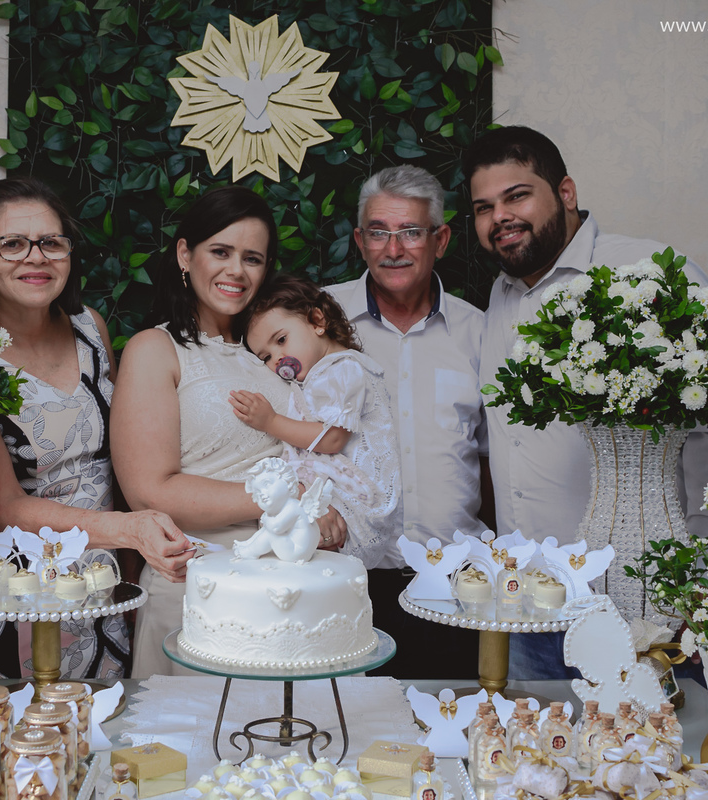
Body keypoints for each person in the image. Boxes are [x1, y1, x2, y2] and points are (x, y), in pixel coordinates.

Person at [463, 125, 708, 678]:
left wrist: (699, 563)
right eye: (484, 207)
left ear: (567, 193)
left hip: (645, 604)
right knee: (542, 757)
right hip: (534, 608)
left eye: (518, 195)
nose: (500, 217)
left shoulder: (647, 273)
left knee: (652, 757)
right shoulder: (501, 296)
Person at [0, 177, 190, 680]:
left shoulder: (89, 327)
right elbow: (5, 507)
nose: (36, 257)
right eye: (12, 243)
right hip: (4, 588)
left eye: (52, 242)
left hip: (95, 578)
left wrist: (129, 571)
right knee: (11, 744)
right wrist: (130, 532)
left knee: (98, 732)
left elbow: (114, 461)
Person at [111, 185, 348, 678]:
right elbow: (149, 490)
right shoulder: (155, 349)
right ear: (184, 254)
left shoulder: (277, 350)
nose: (236, 271)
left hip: (300, 593)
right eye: (220, 251)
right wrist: (288, 498)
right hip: (202, 587)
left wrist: (328, 510)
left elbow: (329, 436)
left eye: (252, 258)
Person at [326, 165, 488, 678]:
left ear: (439, 239)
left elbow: (495, 461)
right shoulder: (315, 320)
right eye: (379, 232)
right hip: (344, 581)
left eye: (411, 232)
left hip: (454, 585)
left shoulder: (479, 331)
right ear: (359, 240)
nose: (393, 249)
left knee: (448, 730)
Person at [229, 273, 401, 567]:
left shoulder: (343, 369)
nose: (279, 360)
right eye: (267, 356)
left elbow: (333, 439)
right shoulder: (318, 374)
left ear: (317, 322)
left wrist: (270, 421)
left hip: (353, 500)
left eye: (281, 340)